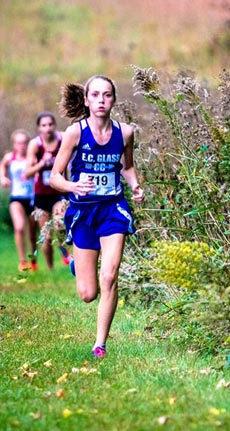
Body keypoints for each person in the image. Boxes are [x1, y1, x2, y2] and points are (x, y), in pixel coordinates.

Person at [50, 75, 144, 358]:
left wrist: (135, 185)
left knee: (110, 276)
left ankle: (99, 344)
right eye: (95, 95)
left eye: (107, 95)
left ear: (113, 99)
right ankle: (78, 266)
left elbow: (127, 167)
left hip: (113, 209)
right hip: (83, 212)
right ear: (87, 100)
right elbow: (55, 176)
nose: (101, 101)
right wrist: (73, 186)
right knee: (88, 294)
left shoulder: (125, 133)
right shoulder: (75, 133)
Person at [25, 112, 70, 270]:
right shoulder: (35, 144)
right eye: (44, 125)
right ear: (39, 128)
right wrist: (42, 163)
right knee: (46, 236)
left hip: (59, 191)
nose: (48, 128)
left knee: (60, 224)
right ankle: (50, 269)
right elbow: (27, 173)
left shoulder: (63, 138)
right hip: (41, 194)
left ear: (54, 125)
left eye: (50, 124)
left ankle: (65, 252)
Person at [0, 129, 37, 272]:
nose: (21, 146)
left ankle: (33, 260)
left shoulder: (33, 158)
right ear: (14, 144)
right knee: (19, 227)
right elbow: (2, 166)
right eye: (18, 143)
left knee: (33, 234)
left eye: (24, 143)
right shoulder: (10, 157)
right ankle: (22, 262)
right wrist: (3, 177)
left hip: (32, 198)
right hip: (16, 198)